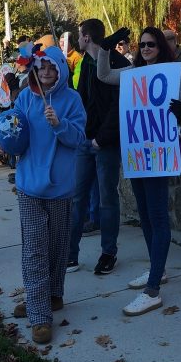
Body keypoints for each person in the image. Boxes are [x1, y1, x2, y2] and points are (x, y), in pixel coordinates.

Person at [91, 26, 181, 316]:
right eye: (142, 44)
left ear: (162, 47)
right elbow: (103, 75)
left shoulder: (174, 75)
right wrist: (106, 48)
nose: (146, 48)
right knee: (146, 216)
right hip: (136, 155)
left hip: (157, 157)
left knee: (158, 218)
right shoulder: (133, 74)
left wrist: (180, 113)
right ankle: (156, 268)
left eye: (152, 44)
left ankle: (153, 290)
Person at [10, 47, 87, 344]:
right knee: (35, 249)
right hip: (29, 184)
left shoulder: (72, 100)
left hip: (59, 187)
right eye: (41, 67)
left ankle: (52, 296)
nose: (45, 73)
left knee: (57, 246)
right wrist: (3, 136)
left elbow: (79, 138)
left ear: (60, 71)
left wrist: (60, 125)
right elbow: (12, 130)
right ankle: (39, 314)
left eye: (51, 68)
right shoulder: (26, 97)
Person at [67, 19, 129, 275]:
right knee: (77, 197)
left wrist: (101, 139)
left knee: (107, 198)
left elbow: (119, 106)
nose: (78, 40)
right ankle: (70, 253)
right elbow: (81, 101)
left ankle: (108, 252)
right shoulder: (83, 62)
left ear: (86, 37)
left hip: (106, 143)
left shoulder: (118, 63)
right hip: (84, 140)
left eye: (80, 36)